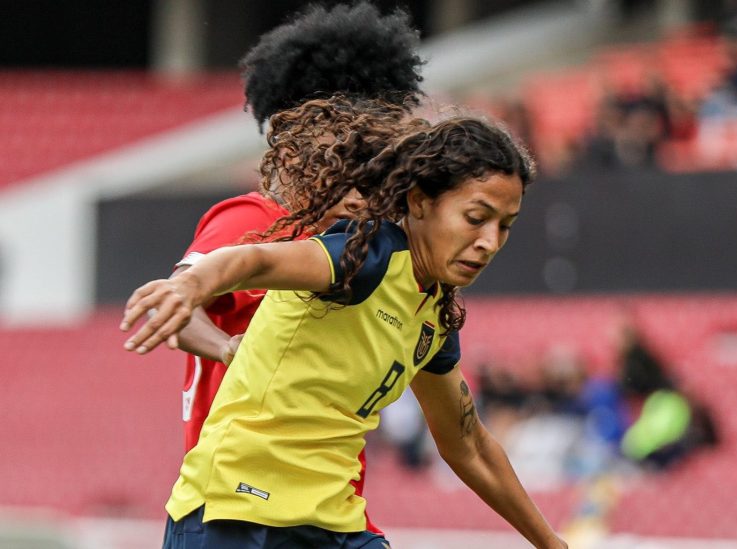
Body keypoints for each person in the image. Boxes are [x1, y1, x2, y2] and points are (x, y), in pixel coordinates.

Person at [122, 116, 567, 548]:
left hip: (334, 524)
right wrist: (188, 285)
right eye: (476, 217)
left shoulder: (433, 316)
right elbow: (255, 261)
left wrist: (551, 544)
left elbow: (468, 443)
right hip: (236, 513)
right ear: (419, 202)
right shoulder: (364, 256)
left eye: (504, 226)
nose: (490, 240)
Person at [172, 3, 427, 536]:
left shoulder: (374, 250)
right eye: (339, 146)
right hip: (239, 507)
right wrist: (226, 348)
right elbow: (180, 304)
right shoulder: (254, 220)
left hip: (329, 508)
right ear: (296, 146)